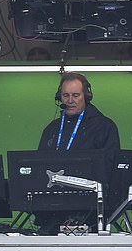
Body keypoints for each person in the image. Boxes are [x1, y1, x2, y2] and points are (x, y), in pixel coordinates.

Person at [36, 72, 120, 234]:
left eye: (75, 95)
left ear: (86, 96)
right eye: (65, 95)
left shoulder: (104, 127)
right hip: (53, 210)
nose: (70, 100)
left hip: (90, 211)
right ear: (59, 97)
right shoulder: (52, 129)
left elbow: (110, 169)